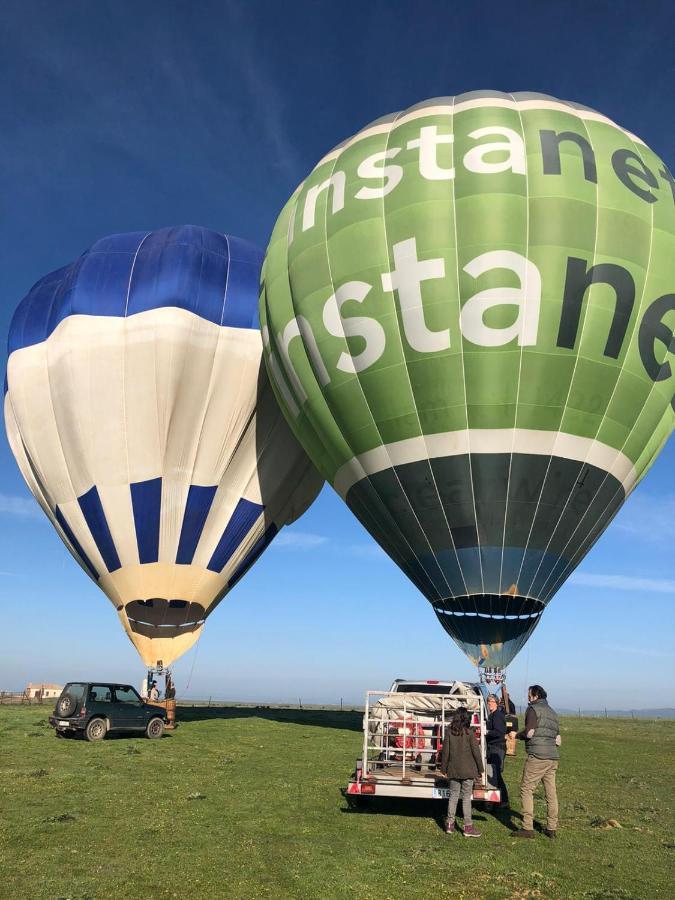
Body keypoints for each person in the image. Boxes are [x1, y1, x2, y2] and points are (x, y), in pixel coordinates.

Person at [514, 684, 561, 839]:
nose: (527, 697)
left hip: (538, 757)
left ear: (534, 695)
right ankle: (551, 828)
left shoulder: (533, 709)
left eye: (529, 694)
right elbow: (558, 739)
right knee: (551, 794)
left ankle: (527, 827)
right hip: (553, 757)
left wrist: (517, 735)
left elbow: (529, 733)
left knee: (527, 789)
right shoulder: (553, 713)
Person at [439, 707, 484, 838]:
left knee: (453, 797)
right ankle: (468, 827)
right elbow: (476, 752)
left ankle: (449, 824)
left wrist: (443, 769)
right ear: (466, 718)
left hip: (453, 770)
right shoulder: (470, 733)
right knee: (466, 798)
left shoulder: (448, 732)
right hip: (468, 770)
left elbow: (445, 752)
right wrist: (481, 769)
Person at [485, 694, 509, 807]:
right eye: (488, 701)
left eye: (492, 701)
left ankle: (504, 800)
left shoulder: (497, 715)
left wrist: (487, 732)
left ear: (497, 703)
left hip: (497, 747)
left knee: (496, 774)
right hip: (493, 747)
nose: (489, 703)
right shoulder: (492, 715)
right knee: (493, 773)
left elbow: (500, 732)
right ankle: (498, 800)